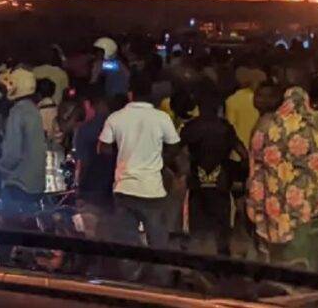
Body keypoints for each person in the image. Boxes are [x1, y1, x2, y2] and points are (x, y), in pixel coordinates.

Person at [247, 86, 318, 271]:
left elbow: (254, 160)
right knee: (304, 257)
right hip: (304, 204)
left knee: (276, 262)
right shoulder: (317, 123)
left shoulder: (266, 124)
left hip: (272, 203)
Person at [99, 74, 180, 254]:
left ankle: (131, 277)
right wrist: (159, 160)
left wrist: (122, 154)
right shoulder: (162, 118)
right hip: (152, 189)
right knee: (158, 244)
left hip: (124, 188)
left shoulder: (116, 117)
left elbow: (103, 148)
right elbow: (175, 147)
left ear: (130, 94)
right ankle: (157, 278)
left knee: (127, 246)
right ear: (151, 94)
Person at [180, 84, 247, 255]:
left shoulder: (191, 127)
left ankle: (199, 264)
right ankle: (222, 265)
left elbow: (174, 151)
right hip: (221, 182)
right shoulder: (225, 127)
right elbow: (243, 154)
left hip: (197, 182)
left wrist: (180, 170)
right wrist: (239, 173)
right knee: (222, 226)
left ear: (198, 106)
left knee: (198, 229)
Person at [0, 68, 47, 264]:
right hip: (35, 181)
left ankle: (1, 266)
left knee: (8, 227)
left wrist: (0, 167)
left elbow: (12, 153)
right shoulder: (33, 110)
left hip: (18, 181)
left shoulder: (17, 112)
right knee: (25, 226)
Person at [73, 91, 115, 238]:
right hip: (111, 192)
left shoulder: (85, 129)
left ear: (90, 105)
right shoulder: (118, 127)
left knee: (89, 237)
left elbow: (81, 163)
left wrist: (77, 188)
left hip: (90, 192)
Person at [226, 65, 267, 148]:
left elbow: (230, 127)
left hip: (238, 151)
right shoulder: (265, 99)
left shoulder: (233, 99)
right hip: (259, 148)